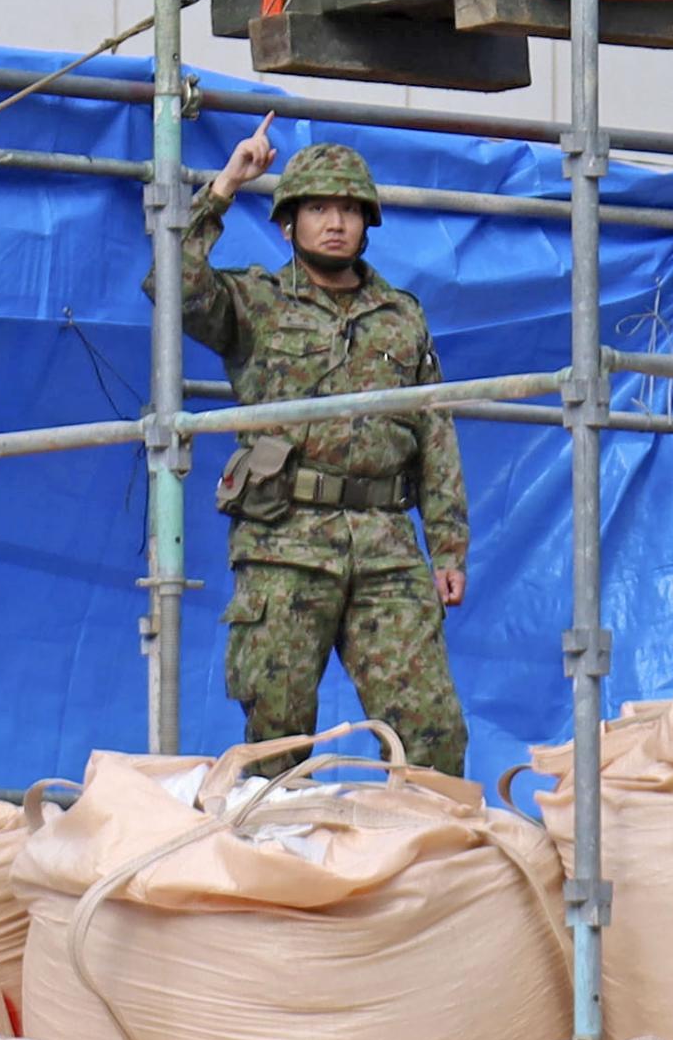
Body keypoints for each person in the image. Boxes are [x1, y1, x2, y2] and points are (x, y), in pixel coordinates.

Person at [154, 121, 471, 772]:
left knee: (431, 731)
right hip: (285, 540)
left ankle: (426, 864)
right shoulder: (256, 302)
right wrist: (226, 185)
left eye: (350, 210)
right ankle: (280, 860)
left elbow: (434, 432)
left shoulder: (400, 316)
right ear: (286, 223)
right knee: (277, 731)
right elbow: (172, 287)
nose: (336, 223)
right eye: (319, 208)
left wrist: (447, 545)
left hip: (384, 543)